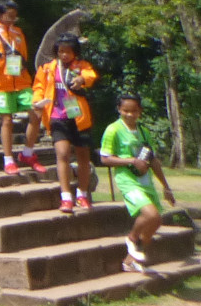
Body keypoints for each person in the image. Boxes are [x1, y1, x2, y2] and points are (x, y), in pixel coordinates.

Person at [98, 93, 178, 274]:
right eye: (125, 110)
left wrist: (166, 186)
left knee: (156, 221)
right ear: (119, 109)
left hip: (145, 181)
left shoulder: (143, 131)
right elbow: (105, 158)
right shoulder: (113, 130)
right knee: (149, 214)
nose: (129, 115)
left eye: (134, 111)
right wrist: (131, 161)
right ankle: (132, 237)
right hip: (128, 180)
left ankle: (130, 260)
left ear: (139, 111)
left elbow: (153, 159)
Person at [33, 36, 99, 213]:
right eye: (61, 51)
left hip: (78, 115)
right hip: (57, 116)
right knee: (62, 154)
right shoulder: (48, 68)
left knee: (83, 155)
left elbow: (90, 75)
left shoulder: (81, 66)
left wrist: (81, 80)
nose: (64, 55)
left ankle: (82, 194)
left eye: (68, 51)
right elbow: (39, 87)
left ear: (75, 52)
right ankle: (66, 197)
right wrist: (37, 101)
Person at [0, 1, 37, 172]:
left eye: (14, 16)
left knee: (36, 110)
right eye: (9, 15)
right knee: (7, 120)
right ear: (0, 14)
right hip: (0, 82)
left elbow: (23, 55)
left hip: (21, 81)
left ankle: (27, 152)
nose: (12, 19)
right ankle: (8, 159)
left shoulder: (18, 32)